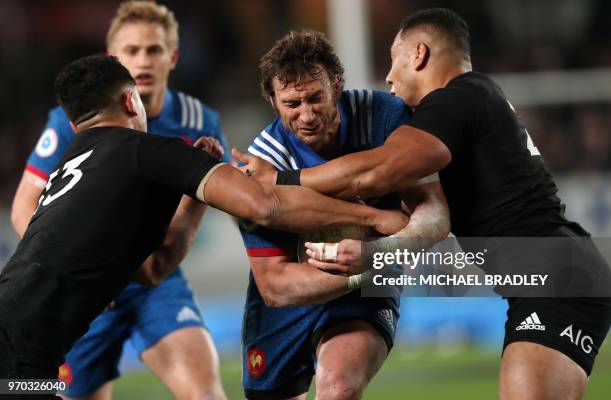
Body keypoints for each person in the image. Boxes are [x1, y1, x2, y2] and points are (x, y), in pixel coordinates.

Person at [239, 9, 611, 400]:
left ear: (418, 55)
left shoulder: (454, 102)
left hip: (554, 279)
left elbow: (376, 173)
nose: (388, 76)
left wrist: (280, 181)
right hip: (550, 275)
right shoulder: (473, 96)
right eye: (292, 103)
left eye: (394, 58)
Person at [0, 55, 408, 398]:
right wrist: (374, 218)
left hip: (20, 358)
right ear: (130, 101)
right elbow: (265, 205)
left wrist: (191, 202)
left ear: (75, 126)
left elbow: (150, 271)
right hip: (19, 356)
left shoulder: (68, 167)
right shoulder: (147, 152)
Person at [10, 2, 230, 399]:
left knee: (205, 393)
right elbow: (24, 206)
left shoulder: (200, 120)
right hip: (86, 293)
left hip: (154, 287)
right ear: (115, 58)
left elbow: (234, 200)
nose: (142, 60)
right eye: (132, 51)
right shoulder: (74, 117)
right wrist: (76, 266)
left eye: (154, 49)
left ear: (173, 56)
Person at [231, 30, 449, 400]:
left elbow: (434, 214)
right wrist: (368, 264)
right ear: (272, 101)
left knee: (339, 386)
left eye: (315, 97)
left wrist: (386, 252)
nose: (307, 114)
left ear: (337, 84)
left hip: (363, 291)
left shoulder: (386, 118)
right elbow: (275, 287)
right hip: (298, 292)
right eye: (291, 103)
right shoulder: (262, 162)